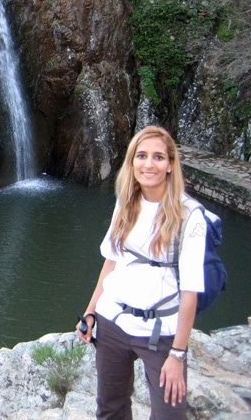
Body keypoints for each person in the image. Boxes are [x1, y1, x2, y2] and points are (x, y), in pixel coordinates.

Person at [77, 125, 206, 419]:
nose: (149, 164)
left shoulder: (190, 216)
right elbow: (111, 262)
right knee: (110, 410)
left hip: (161, 333)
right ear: (132, 161)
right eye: (142, 155)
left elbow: (190, 293)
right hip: (113, 323)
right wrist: (90, 313)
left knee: (170, 415)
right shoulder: (126, 203)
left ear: (171, 165)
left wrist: (178, 354)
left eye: (158, 157)